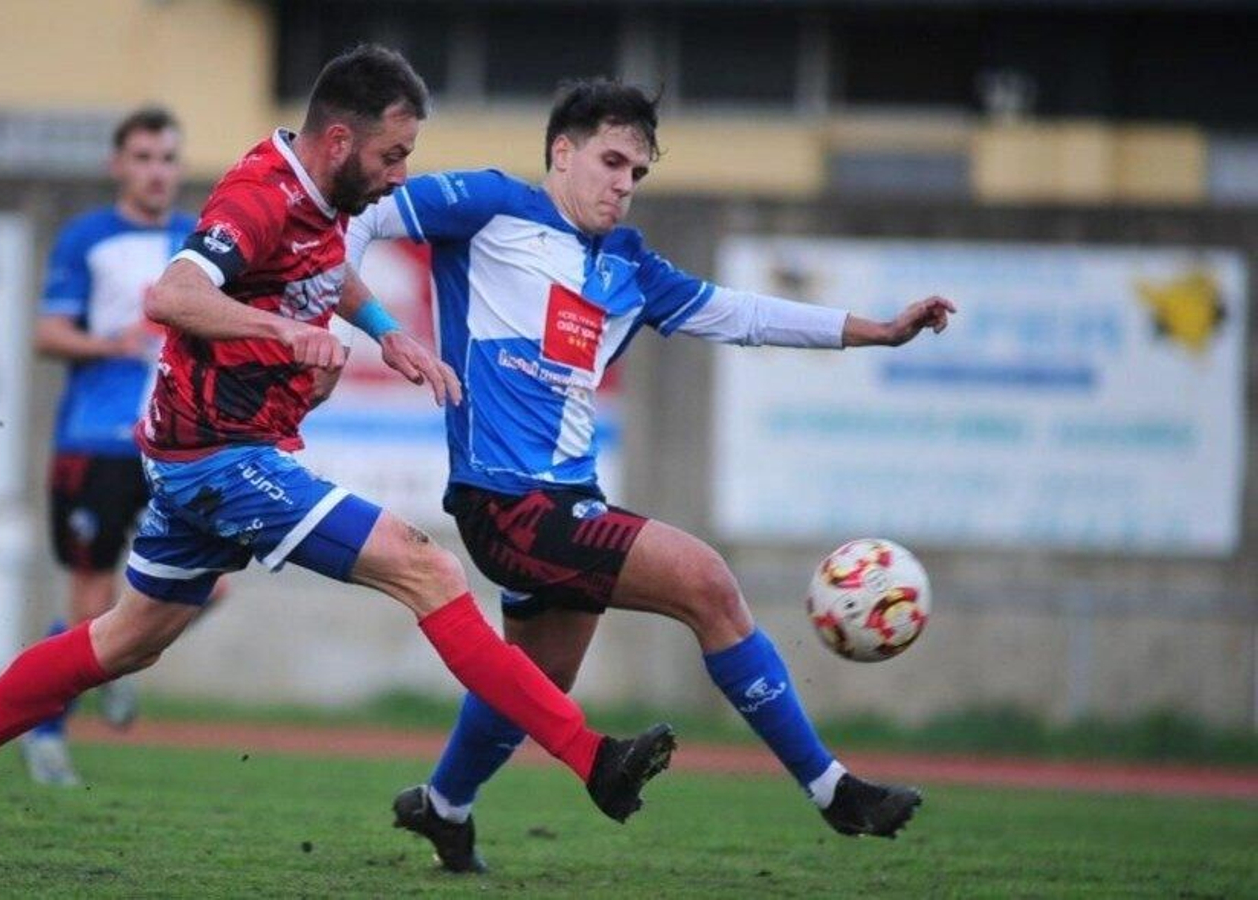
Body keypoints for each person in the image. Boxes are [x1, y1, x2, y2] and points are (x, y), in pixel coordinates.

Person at [0, 46, 676, 871]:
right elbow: (172, 295)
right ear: (337, 141)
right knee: (425, 568)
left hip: (202, 453)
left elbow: (330, 269)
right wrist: (283, 331)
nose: (402, 175)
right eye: (392, 155)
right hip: (221, 459)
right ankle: (592, 759)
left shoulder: (325, 195)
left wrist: (388, 333)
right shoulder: (259, 196)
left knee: (123, 642)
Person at [347, 78, 956, 873]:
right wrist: (369, 320)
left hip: (567, 500)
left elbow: (740, 313)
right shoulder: (492, 206)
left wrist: (874, 330)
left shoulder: (629, 268)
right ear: (561, 154)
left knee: (535, 680)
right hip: (504, 503)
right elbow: (361, 214)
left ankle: (445, 806)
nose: (623, 184)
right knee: (706, 581)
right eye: (610, 161)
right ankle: (833, 790)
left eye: (637, 172)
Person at [24, 105, 203, 786]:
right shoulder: (87, 238)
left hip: (177, 441)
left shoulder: (198, 239)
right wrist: (113, 343)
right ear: (118, 165)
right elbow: (47, 333)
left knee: (207, 582)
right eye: (144, 158)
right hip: (96, 440)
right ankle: (45, 733)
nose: (157, 172)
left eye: (167, 159)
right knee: (88, 599)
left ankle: (118, 659)